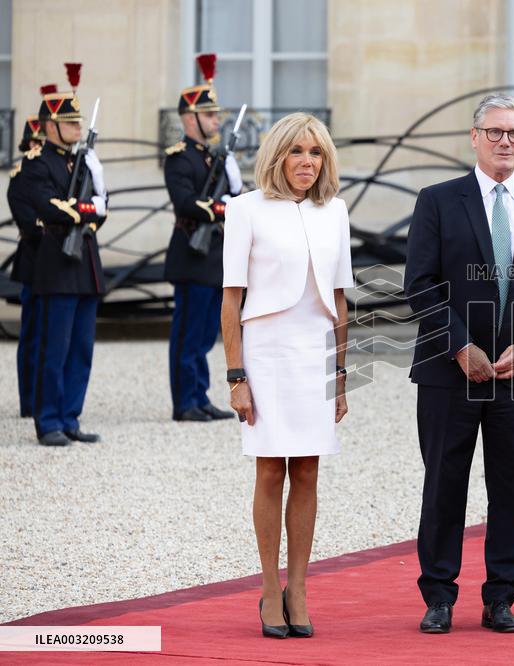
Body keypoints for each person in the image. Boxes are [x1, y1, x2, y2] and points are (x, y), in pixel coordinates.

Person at [404, 94, 514, 634]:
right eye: (495, 132)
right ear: (474, 137)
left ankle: (501, 595)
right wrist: (459, 347)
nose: (505, 142)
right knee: (445, 484)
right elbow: (420, 285)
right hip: (449, 373)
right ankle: (439, 596)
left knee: (510, 487)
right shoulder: (437, 201)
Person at [221, 113, 353, 639]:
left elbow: (341, 298)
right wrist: (236, 376)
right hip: (267, 352)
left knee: (309, 471)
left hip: (316, 351)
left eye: (316, 152)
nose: (306, 162)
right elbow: (232, 300)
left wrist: (342, 375)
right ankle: (270, 587)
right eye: (297, 151)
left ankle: (300, 587)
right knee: (270, 470)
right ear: (277, 156)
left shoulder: (335, 211)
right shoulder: (244, 210)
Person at [21, 64, 108, 446]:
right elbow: (49, 206)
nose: (76, 129)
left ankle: (71, 416)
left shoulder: (84, 162)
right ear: (50, 126)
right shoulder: (37, 164)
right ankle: (49, 421)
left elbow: (102, 206)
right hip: (56, 262)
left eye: (77, 124)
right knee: (53, 349)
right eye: (69, 123)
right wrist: (82, 209)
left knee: (81, 348)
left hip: (85, 261)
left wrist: (86, 208)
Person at [164, 53, 242, 422]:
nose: (216, 120)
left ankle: (200, 396)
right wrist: (222, 206)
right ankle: (184, 402)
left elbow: (235, 196)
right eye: (210, 115)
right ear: (190, 117)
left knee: (207, 334)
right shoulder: (179, 158)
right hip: (191, 255)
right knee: (188, 334)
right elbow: (185, 202)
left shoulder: (215, 159)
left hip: (214, 256)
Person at [8, 105, 47, 418]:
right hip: (34, 262)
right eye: (35, 144)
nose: (39, 149)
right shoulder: (21, 179)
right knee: (33, 336)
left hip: (57, 265)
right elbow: (30, 223)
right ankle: (29, 402)